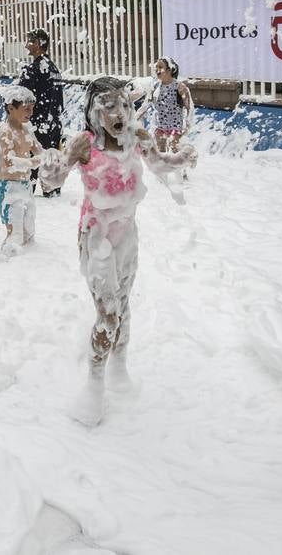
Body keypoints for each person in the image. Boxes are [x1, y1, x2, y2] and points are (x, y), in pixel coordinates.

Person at [39, 77, 196, 426]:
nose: (118, 111)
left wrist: (182, 157)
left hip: (127, 235)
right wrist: (50, 167)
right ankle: (93, 387)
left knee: (123, 308)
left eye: (123, 103)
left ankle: (119, 370)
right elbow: (49, 182)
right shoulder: (83, 144)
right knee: (107, 314)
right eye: (108, 105)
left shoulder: (137, 139)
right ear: (95, 111)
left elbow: (159, 165)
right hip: (95, 236)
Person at [0, 85, 43, 261]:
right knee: (15, 235)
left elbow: (40, 152)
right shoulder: (5, 133)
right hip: (8, 187)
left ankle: (26, 271)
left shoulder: (27, 130)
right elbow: (10, 162)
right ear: (10, 109)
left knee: (29, 233)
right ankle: (4, 265)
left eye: (32, 109)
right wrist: (35, 162)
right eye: (26, 109)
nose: (30, 113)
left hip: (25, 186)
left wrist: (54, 158)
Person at [17, 29, 64, 195]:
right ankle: (52, 189)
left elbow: (23, 98)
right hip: (54, 123)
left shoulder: (34, 69)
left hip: (38, 123)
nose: (26, 45)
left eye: (29, 41)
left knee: (34, 159)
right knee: (51, 158)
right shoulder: (53, 68)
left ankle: (28, 189)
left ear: (38, 44)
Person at [139, 57, 195, 152]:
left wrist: (187, 126)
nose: (157, 70)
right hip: (160, 127)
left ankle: (181, 166)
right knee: (161, 156)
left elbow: (190, 108)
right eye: (156, 67)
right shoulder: (155, 87)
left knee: (175, 154)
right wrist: (133, 120)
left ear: (170, 70)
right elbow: (144, 106)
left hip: (175, 128)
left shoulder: (180, 87)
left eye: (160, 67)